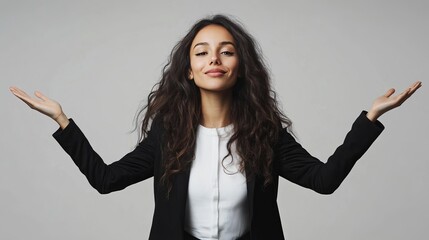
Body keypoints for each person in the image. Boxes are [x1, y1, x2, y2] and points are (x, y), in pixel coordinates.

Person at [10, 15, 421, 240]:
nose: (215, 59)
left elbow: (324, 180)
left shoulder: (265, 134)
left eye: (226, 51)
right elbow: (106, 179)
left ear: (240, 67)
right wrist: (63, 122)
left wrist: (369, 119)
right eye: (202, 52)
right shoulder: (168, 136)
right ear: (188, 70)